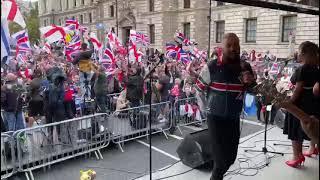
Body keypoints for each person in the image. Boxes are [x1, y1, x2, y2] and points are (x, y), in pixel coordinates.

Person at [191, 33, 256, 180]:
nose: (234, 48)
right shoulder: (212, 66)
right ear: (222, 48)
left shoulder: (245, 67)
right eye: (229, 45)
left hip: (233, 117)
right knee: (220, 161)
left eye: (236, 45)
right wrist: (206, 109)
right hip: (215, 118)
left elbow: (253, 91)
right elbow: (198, 89)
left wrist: (250, 82)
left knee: (231, 158)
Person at [283, 41, 319, 167]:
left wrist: (289, 102)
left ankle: (297, 156)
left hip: (300, 104)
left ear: (303, 53)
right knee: (313, 127)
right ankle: (312, 148)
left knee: (295, 130)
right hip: (314, 102)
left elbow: (298, 89)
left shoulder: (301, 69)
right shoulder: (316, 68)